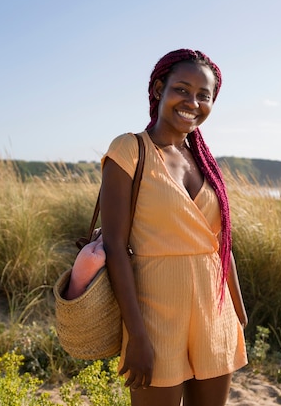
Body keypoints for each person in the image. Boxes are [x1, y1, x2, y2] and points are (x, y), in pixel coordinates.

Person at [99, 49, 248, 406]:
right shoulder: (129, 149)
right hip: (154, 315)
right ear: (158, 89)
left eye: (204, 95)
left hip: (215, 312)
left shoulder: (205, 161)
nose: (192, 102)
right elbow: (115, 247)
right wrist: (136, 334)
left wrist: (239, 314)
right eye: (182, 89)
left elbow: (220, 244)